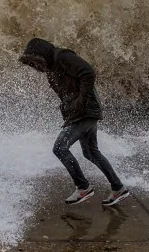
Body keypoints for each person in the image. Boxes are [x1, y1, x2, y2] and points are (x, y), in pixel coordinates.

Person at [19, 38, 129, 206]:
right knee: (91, 152)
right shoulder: (52, 66)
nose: (37, 67)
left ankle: (83, 187)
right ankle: (118, 188)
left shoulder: (62, 57)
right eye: (33, 64)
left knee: (60, 148)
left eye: (36, 62)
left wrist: (81, 102)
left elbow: (88, 72)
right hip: (81, 113)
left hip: (84, 112)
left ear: (42, 55)